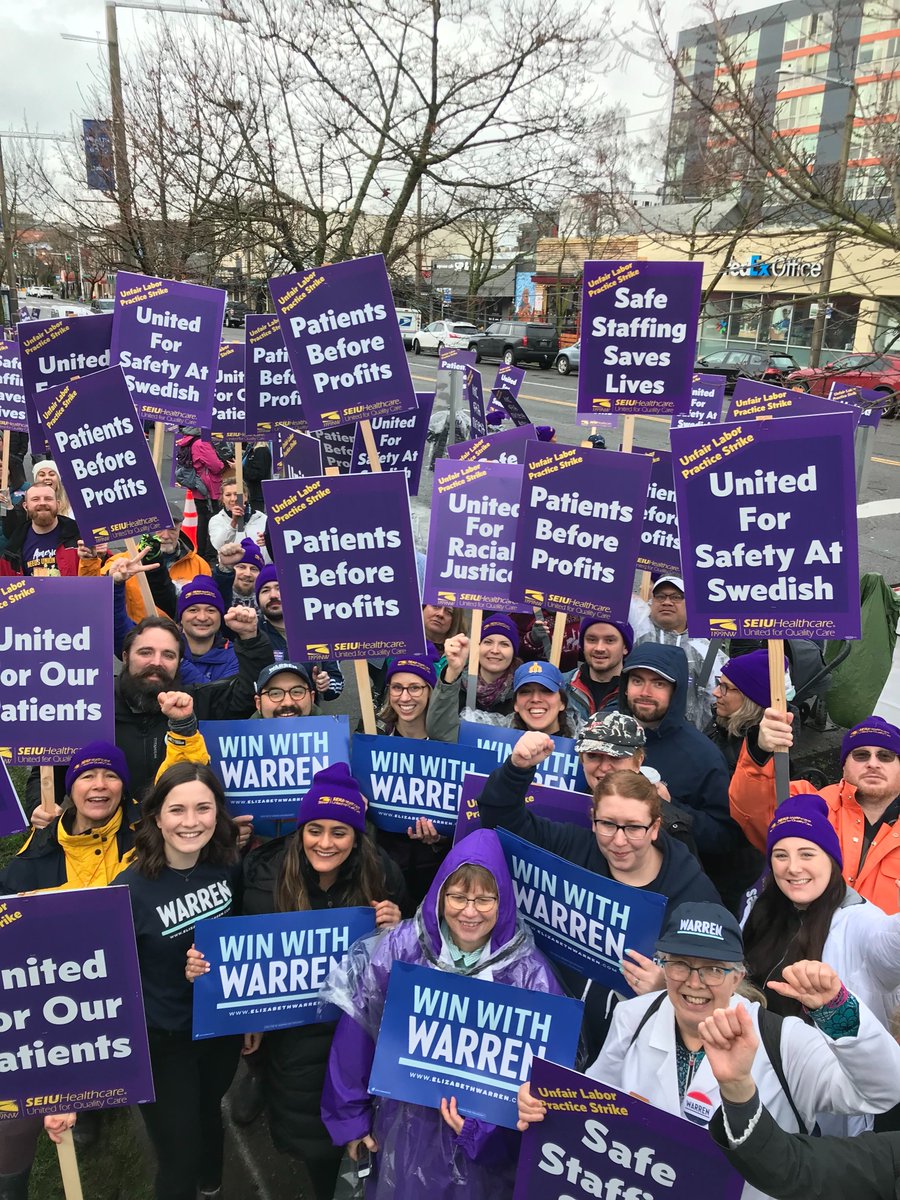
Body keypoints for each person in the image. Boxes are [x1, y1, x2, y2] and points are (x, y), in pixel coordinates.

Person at [518, 902, 900, 1174]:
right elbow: (596, 1100)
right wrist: (547, 1101)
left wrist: (838, 1010)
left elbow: (883, 1090)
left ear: (738, 976)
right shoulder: (635, 1016)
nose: (694, 983)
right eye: (680, 964)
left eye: (713, 969)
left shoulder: (783, 1042)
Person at [195, 765, 406, 1200]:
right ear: (300, 828)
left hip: (359, 1036)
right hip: (295, 1042)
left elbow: (412, 953)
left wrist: (397, 926)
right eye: (315, 829)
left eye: (339, 832)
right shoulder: (261, 877)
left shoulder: (381, 873)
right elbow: (238, 954)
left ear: (356, 836)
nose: (325, 843)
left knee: (376, 1144)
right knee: (317, 1147)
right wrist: (231, 997)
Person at [320, 828, 566, 1200]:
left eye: (485, 900)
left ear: (504, 903)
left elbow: (543, 1084)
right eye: (458, 896)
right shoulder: (402, 947)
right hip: (401, 1128)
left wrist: (481, 1131)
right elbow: (356, 1033)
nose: (469, 911)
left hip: (484, 1156)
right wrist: (350, 1119)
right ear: (439, 895)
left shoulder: (529, 973)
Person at [478, 729, 719, 1052]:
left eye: (633, 827)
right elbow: (500, 819)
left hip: (630, 1052)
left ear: (655, 827)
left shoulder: (692, 891)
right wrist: (518, 768)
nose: (619, 842)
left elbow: (720, 984)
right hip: (553, 1034)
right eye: (608, 825)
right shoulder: (572, 846)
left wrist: (668, 988)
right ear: (592, 820)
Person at [117, 762, 245, 1200]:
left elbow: (242, 944)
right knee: (178, 1153)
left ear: (218, 813)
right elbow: (115, 977)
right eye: (177, 810)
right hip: (163, 1039)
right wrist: (179, 971)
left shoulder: (229, 866)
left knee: (209, 1113)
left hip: (217, 1031)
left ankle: (211, 1184)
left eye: (203, 808)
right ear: (156, 816)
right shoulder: (129, 891)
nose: (191, 822)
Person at [704, 1005, 900, 1200]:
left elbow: (878, 1088)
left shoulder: (786, 1036)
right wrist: (737, 1088)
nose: (695, 982)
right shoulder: (892, 1156)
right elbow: (791, 1167)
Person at [742, 795, 900, 1036]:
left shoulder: (860, 920)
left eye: (807, 854)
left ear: (831, 859)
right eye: (781, 855)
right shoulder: (761, 910)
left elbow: (891, 943)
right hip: (759, 1063)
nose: (793, 867)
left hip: (834, 1068)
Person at [730, 712, 900, 914]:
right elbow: (752, 808)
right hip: (803, 940)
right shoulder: (808, 803)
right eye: (861, 755)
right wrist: (759, 753)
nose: (873, 763)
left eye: (885, 756)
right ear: (844, 766)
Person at [618, 643, 738, 863]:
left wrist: (671, 806)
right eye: (637, 681)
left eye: (658, 683)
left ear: (676, 690)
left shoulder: (702, 756)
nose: (645, 692)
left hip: (667, 878)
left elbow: (726, 838)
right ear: (625, 686)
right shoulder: (605, 730)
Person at [78, 500, 211, 621]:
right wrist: (89, 560)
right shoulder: (122, 561)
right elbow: (91, 594)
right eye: (159, 529)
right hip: (137, 638)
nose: (165, 536)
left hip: (178, 641)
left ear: (180, 529)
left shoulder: (199, 565)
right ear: (146, 529)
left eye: (172, 530)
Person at [631, 575, 726, 730]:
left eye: (676, 597)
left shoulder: (704, 650)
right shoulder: (634, 637)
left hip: (686, 738)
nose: (667, 602)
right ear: (651, 601)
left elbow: (714, 697)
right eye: (660, 596)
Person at [254, 564, 344, 699]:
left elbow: (336, 682)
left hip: (306, 716)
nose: (273, 595)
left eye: (280, 588)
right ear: (258, 598)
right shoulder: (252, 634)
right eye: (265, 590)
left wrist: (325, 684)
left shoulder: (316, 631)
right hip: (264, 717)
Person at [425, 616, 522, 738]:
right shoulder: (457, 685)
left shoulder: (521, 691)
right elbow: (436, 731)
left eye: (504, 644)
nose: (495, 650)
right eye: (488, 642)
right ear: (477, 647)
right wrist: (452, 673)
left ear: (514, 652)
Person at [706, 649, 775, 775]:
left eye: (725, 687)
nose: (715, 692)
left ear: (750, 698)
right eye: (719, 684)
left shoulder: (760, 754)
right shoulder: (721, 720)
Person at [564, 617, 633, 731]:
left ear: (625, 647)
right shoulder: (562, 685)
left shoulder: (636, 694)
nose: (599, 648)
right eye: (592, 640)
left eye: (610, 640)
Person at [0, 482, 79, 577]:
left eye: (48, 499)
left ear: (58, 504)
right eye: (35, 499)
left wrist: (100, 556)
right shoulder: (14, 547)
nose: (42, 503)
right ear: (25, 506)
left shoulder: (79, 536)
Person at [175, 576, 239, 683]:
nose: (202, 617)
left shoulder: (234, 656)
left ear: (221, 617)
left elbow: (220, 697)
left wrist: (180, 663)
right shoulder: (164, 651)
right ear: (180, 618)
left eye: (211, 610)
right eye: (193, 610)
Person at [208, 475, 268, 555]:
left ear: (246, 496)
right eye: (228, 495)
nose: (233, 499)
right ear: (222, 499)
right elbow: (218, 545)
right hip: (232, 567)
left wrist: (268, 541)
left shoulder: (262, 518)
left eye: (237, 494)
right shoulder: (217, 520)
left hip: (259, 566)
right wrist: (233, 523)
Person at [214, 536, 265, 610]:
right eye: (241, 567)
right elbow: (221, 581)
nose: (247, 574)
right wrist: (225, 568)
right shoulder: (217, 597)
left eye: (254, 569)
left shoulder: (268, 601)